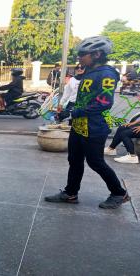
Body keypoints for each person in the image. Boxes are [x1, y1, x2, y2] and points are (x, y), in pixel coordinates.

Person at [45, 36, 130, 209]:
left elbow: (104, 102)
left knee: (95, 162)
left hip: (95, 127)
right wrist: (67, 112)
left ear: (97, 54)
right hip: (80, 125)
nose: (79, 57)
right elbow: (83, 99)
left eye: (83, 54)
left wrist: (74, 112)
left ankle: (119, 193)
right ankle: (70, 193)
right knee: (74, 160)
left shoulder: (107, 74)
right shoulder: (89, 72)